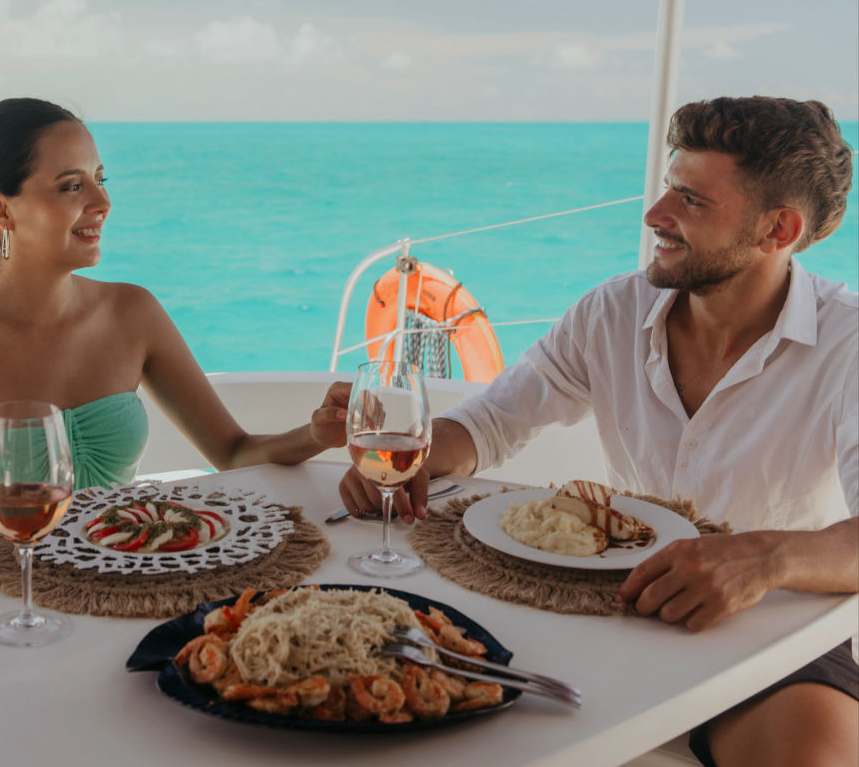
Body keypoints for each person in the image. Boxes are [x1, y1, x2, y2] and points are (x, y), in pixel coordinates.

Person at [338, 96, 857, 766]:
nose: (656, 215)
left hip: (773, 641)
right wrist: (413, 458)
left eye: (692, 201)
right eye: (669, 187)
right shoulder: (611, 310)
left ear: (778, 229)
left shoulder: (847, 344)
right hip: (612, 610)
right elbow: (491, 421)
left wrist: (765, 560)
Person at [0, 97, 349, 588]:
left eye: (99, 180)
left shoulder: (133, 312)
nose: (102, 203)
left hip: (130, 581)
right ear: (1, 209)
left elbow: (235, 452)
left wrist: (315, 435)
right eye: (71, 186)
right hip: (0, 587)